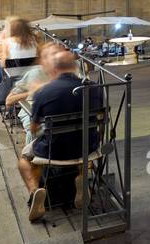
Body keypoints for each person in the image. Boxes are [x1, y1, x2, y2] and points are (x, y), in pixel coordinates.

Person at [18, 48, 102, 222]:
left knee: (24, 159)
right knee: (84, 139)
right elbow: (101, 117)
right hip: (88, 147)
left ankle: (36, 192)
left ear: (54, 69)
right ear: (74, 67)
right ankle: (82, 177)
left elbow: (33, 128)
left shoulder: (43, 92)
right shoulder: (95, 88)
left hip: (54, 151)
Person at [0, 17, 38, 120]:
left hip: (12, 78)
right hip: (31, 76)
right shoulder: (34, 40)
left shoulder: (7, 42)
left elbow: (4, 63)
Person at [5, 41, 62, 130]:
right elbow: (9, 101)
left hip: (61, 114)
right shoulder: (34, 74)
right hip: (35, 115)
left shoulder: (69, 72)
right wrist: (31, 93)